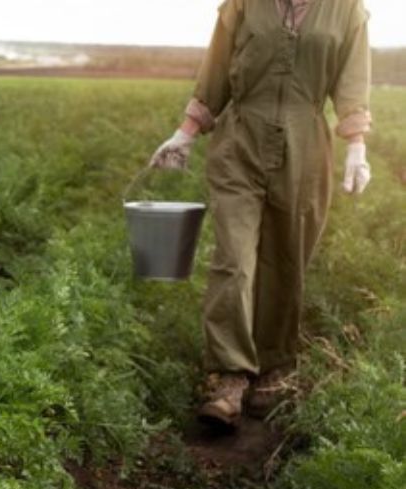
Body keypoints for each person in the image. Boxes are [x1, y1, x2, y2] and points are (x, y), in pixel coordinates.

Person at [149, 0, 372, 427]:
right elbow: (215, 72)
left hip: (305, 145)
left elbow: (353, 81)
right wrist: (185, 134)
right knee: (234, 259)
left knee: (287, 260)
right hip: (240, 141)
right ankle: (230, 376)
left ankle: (274, 365)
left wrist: (357, 147)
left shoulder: (347, 9)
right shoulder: (243, 3)